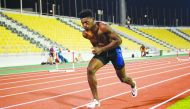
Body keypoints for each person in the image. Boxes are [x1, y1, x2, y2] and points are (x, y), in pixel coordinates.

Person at [79, 9, 137, 109]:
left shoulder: (103, 27)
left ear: (93, 19)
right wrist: (96, 49)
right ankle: (96, 100)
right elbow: (96, 43)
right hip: (103, 53)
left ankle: (133, 84)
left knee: (123, 79)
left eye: (86, 22)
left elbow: (119, 40)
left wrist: (101, 49)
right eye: (82, 23)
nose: (84, 25)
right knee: (90, 69)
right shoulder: (85, 34)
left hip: (114, 52)